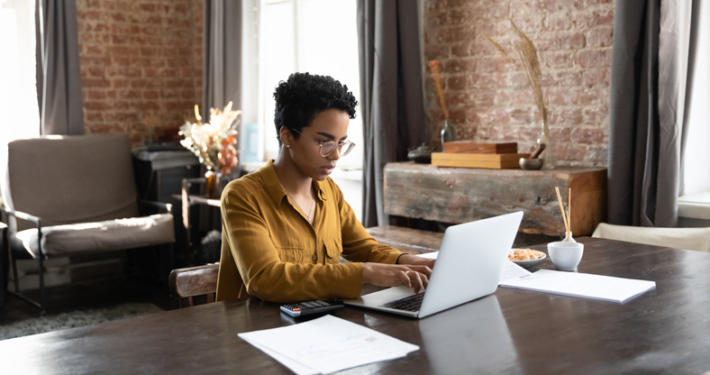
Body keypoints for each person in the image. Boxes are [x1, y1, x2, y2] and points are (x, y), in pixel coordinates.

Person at [215, 72, 434, 303]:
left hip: (319, 323)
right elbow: (267, 278)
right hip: (256, 331)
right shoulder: (242, 196)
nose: (336, 155)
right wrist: (365, 272)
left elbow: (366, 248)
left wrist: (410, 260)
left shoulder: (330, 191)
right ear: (287, 136)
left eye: (341, 142)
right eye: (324, 142)